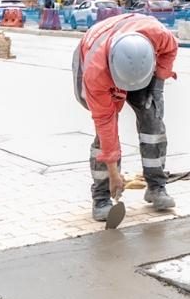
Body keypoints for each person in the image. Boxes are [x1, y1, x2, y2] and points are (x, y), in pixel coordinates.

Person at [72, 12, 179, 222]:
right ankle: (101, 197)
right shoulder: (96, 74)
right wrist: (113, 173)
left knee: (153, 120)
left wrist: (157, 82)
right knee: (104, 134)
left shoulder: (159, 35)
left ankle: (157, 186)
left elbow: (170, 50)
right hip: (92, 59)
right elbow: (105, 122)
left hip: (142, 70)